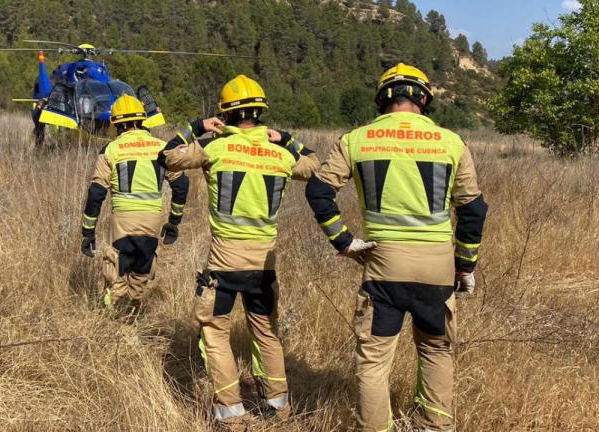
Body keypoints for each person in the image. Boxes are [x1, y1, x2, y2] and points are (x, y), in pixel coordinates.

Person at [305, 63, 488, 432]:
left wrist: (344, 242)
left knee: (373, 363)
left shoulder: (356, 139)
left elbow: (319, 191)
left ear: (381, 99)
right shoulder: (451, 142)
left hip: (382, 267)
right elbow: (472, 209)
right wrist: (464, 266)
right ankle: (436, 427)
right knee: (436, 351)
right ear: (423, 99)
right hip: (436, 269)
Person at [158, 75, 319, 431]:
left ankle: (231, 413)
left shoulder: (214, 149)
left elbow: (167, 156)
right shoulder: (281, 154)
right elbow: (315, 165)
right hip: (265, 264)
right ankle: (277, 406)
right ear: (260, 113)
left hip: (224, 264)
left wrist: (196, 126)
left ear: (225, 114)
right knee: (267, 332)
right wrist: (288, 140)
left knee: (214, 332)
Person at [80, 94, 189, 310]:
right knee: (142, 268)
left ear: (117, 124)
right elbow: (181, 185)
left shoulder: (111, 149)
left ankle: (111, 317)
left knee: (118, 271)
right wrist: (173, 222)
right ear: (143, 120)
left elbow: (96, 193)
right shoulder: (161, 147)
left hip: (123, 221)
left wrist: (88, 231)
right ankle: (133, 312)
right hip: (152, 221)